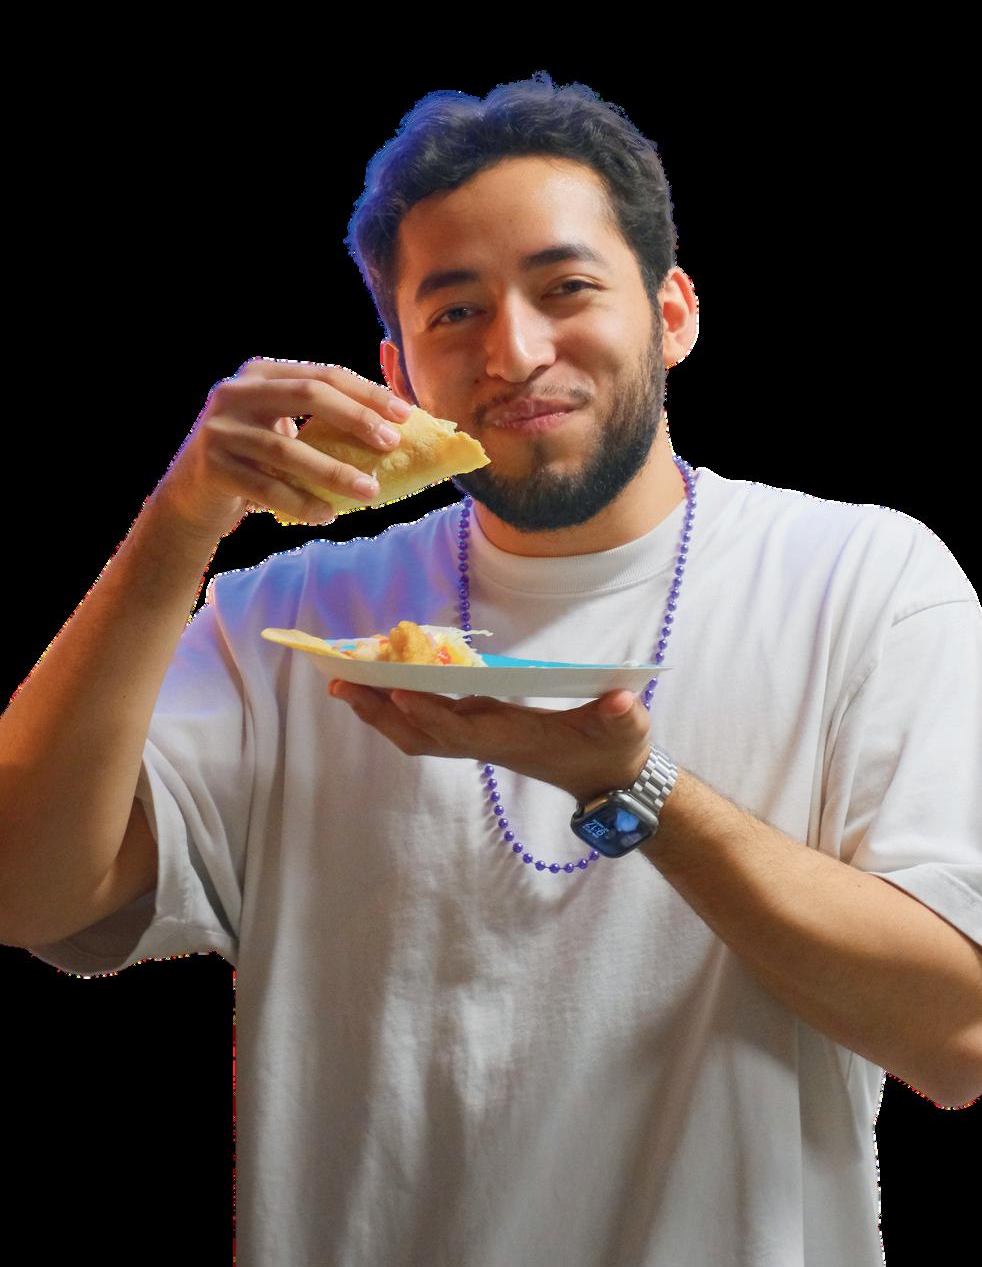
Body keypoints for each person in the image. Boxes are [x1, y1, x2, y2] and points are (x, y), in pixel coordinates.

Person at [2, 73, 980, 1267]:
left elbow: (957, 1033)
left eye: (566, 288)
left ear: (671, 311)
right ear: (399, 367)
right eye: (455, 311)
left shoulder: (867, 580)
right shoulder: (290, 617)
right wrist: (182, 520)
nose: (513, 352)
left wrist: (633, 787)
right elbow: (24, 889)